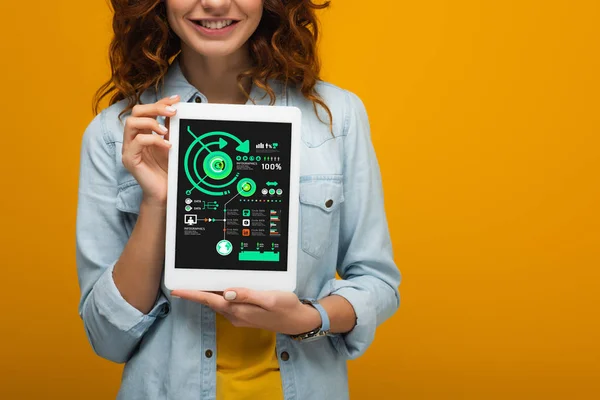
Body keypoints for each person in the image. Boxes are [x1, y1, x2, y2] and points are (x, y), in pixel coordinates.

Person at [75, 0, 401, 399]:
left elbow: (377, 282)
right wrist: (157, 202)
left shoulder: (337, 116)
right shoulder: (116, 133)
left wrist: (305, 319)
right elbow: (107, 339)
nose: (213, 3)